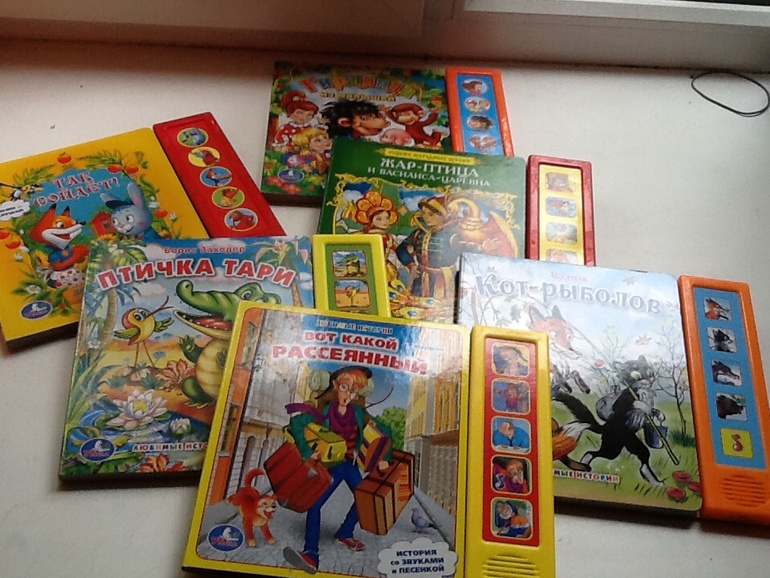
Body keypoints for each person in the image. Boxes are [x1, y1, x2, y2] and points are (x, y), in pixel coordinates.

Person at [283, 366, 392, 574]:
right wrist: (308, 452)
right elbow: (296, 423)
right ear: (335, 385)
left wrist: (383, 457)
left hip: (349, 465)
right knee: (315, 504)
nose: (348, 395)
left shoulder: (359, 413)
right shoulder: (322, 411)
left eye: (353, 391)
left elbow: (384, 430)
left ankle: (345, 533)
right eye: (344, 387)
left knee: (366, 498)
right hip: (330, 467)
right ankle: (311, 553)